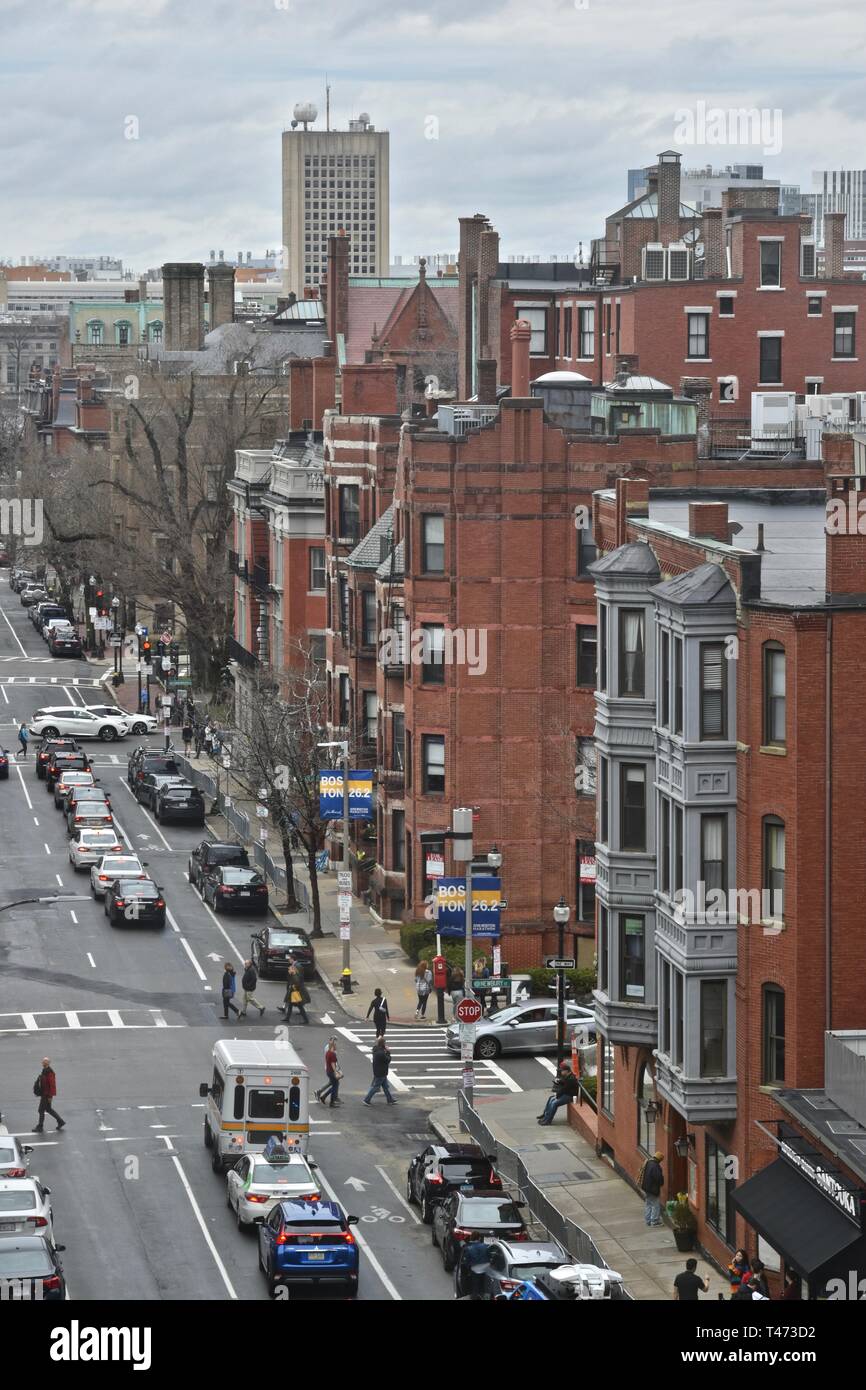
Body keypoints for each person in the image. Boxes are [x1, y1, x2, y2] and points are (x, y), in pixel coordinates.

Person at [33, 1058, 65, 1132]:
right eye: (43, 1061)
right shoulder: (45, 1070)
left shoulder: (49, 1072)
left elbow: (52, 1085)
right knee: (48, 1109)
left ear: (48, 1063)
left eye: (45, 1062)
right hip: (44, 1094)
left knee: (41, 1110)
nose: (43, 1063)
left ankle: (40, 1126)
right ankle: (60, 1121)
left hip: (47, 1095)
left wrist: (50, 1096)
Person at [363, 1037, 396, 1105]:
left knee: (385, 1087)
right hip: (381, 1072)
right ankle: (366, 1100)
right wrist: (388, 1052)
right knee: (376, 1087)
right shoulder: (381, 1053)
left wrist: (385, 1050)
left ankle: (390, 1100)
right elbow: (387, 1060)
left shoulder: (376, 1049)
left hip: (378, 1071)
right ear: (383, 1043)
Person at [639, 1150, 664, 1227]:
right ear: (659, 1159)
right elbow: (658, 1178)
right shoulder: (655, 1166)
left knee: (648, 1204)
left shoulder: (648, 1162)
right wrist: (662, 1181)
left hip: (646, 1187)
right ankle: (654, 1221)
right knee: (655, 1205)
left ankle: (648, 1220)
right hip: (652, 1189)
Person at [315, 1037, 342, 1108]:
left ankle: (324, 1096)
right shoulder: (332, 1053)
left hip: (329, 1071)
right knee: (335, 1085)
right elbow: (333, 1063)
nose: (336, 1046)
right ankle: (331, 1100)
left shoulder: (328, 1052)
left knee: (334, 1084)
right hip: (331, 1071)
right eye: (335, 1044)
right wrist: (336, 1072)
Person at [282, 959, 310, 1024]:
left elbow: (297, 983)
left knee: (300, 1007)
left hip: (296, 993)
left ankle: (306, 1020)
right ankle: (287, 1018)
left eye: (289, 970)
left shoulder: (295, 976)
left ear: (293, 970)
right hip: (293, 992)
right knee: (290, 1005)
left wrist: (292, 986)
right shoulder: (293, 975)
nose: (288, 970)